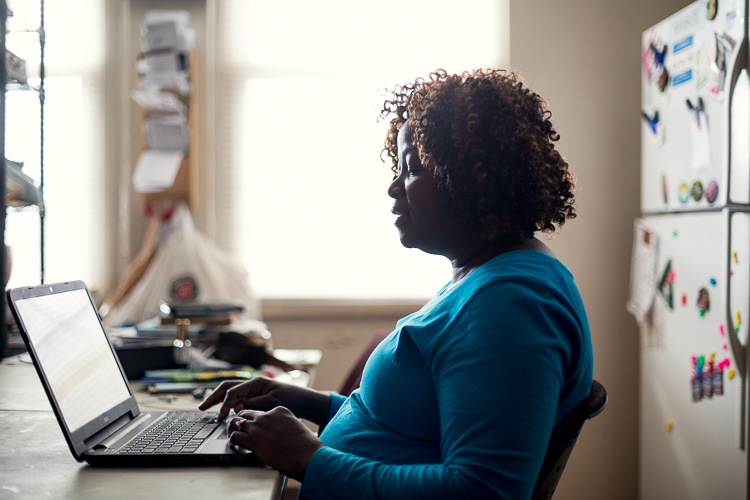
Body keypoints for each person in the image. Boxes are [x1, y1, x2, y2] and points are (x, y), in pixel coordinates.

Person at [199, 68, 594, 499]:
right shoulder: (488, 277)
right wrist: (305, 401)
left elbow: (483, 491)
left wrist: (307, 458)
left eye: (411, 170)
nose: (393, 188)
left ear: (472, 177)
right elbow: (409, 424)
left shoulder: (511, 304)